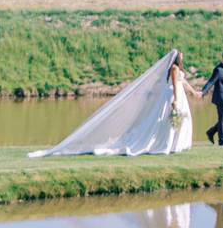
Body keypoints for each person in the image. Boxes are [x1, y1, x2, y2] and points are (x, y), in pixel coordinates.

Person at [29, 48, 201, 158]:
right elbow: (175, 84)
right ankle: (166, 145)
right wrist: (177, 100)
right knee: (167, 121)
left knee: (180, 121)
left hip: (179, 96)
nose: (182, 56)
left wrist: (194, 92)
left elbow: (183, 82)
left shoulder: (180, 70)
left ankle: (176, 144)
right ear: (176, 58)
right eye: (181, 55)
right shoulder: (174, 69)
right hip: (172, 96)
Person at [199, 48, 223, 145]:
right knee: (222, 119)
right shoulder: (218, 69)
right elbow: (211, 81)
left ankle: (211, 132)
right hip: (221, 98)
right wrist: (202, 92)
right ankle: (221, 141)